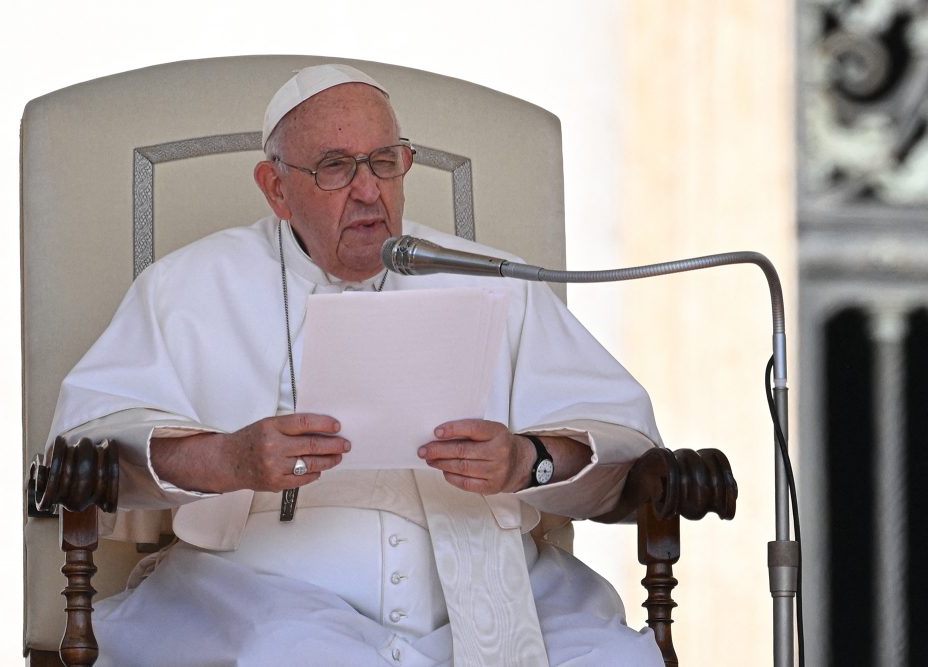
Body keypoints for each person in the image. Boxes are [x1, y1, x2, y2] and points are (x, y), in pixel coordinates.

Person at [47, 63, 665, 666]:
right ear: (276, 188)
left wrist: (528, 458)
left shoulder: (497, 281)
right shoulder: (186, 289)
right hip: (260, 592)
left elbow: (622, 441)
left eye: (384, 163)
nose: (368, 190)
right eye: (336, 167)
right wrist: (228, 458)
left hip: (491, 585)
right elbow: (87, 448)